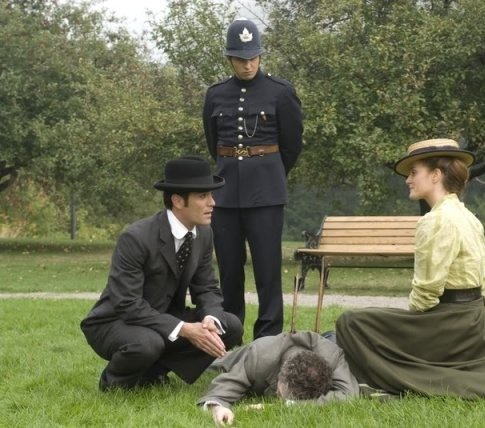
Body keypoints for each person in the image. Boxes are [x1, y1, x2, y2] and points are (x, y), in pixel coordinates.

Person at [336, 138, 485, 398]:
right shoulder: (469, 217)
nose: (408, 180)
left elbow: (426, 294)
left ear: (436, 175)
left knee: (350, 323)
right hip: (475, 322)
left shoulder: (436, 220)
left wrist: (409, 325)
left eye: (414, 173)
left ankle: (398, 379)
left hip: (449, 324)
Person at [80, 156, 243, 391]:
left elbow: (206, 287)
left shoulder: (204, 233)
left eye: (211, 195)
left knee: (230, 325)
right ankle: (114, 384)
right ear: (177, 200)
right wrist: (185, 329)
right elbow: (127, 304)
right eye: (203, 196)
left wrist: (210, 319)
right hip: (115, 321)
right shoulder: (135, 238)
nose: (212, 203)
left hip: (161, 317)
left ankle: (153, 373)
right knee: (148, 343)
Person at [203, 17, 303, 339]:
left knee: (267, 271)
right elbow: (214, 143)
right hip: (226, 195)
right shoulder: (216, 94)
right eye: (241, 59)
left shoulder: (281, 92)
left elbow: (292, 145)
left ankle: (268, 340)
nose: (248, 65)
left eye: (253, 57)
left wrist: (269, 174)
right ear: (229, 58)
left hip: (266, 196)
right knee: (229, 272)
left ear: (260, 55)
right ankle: (230, 337)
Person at [198, 331, 359, 425]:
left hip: (317, 342)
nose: (278, 398)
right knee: (215, 363)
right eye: (280, 394)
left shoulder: (333, 356)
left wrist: (291, 406)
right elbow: (222, 389)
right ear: (281, 373)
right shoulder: (259, 356)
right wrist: (218, 408)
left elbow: (349, 395)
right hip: (253, 350)